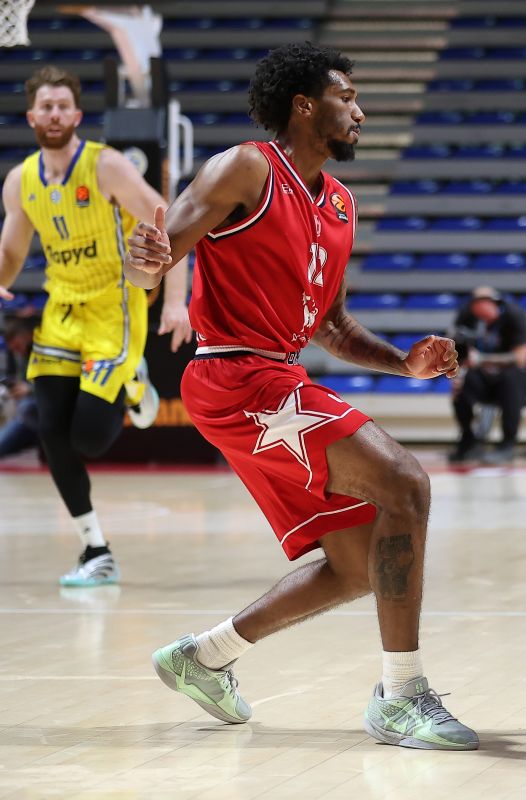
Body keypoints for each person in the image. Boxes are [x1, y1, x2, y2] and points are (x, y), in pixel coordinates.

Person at [121, 43, 477, 750]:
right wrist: (145, 261)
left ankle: (207, 656)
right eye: (348, 95)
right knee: (406, 482)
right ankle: (402, 696)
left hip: (274, 377)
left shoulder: (340, 203)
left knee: (357, 564)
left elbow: (335, 326)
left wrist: (402, 363)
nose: (361, 110)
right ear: (305, 104)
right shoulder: (249, 166)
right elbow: (165, 248)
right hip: (234, 375)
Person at [0, 65, 192, 587]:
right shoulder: (21, 181)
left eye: (64, 105)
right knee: (49, 434)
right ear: (32, 116)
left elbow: (168, 219)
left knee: (86, 438)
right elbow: (14, 247)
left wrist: (175, 300)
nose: (55, 114)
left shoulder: (105, 166)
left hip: (115, 307)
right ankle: (96, 550)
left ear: (77, 115)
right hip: (62, 310)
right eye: (46, 106)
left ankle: (134, 383)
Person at [448, 286, 526, 463]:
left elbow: (520, 358)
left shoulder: (514, 315)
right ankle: (468, 440)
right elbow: (453, 344)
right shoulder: (467, 316)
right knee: (461, 383)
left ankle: (508, 444)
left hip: (512, 378)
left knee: (511, 379)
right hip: (483, 377)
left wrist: (482, 359)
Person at [0, 310, 39, 458]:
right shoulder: (25, 357)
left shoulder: (46, 349)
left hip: (44, 406)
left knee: (26, 407)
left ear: (25, 335)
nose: (18, 351)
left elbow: (58, 385)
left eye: (17, 346)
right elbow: (25, 382)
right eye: (14, 349)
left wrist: (29, 390)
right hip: (28, 412)